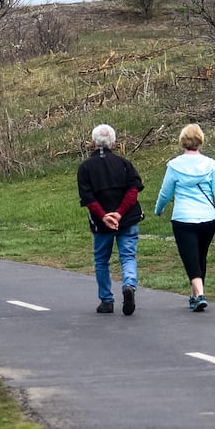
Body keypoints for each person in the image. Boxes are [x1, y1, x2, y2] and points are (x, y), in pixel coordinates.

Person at [152, 123, 215, 312]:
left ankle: (199, 294)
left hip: (183, 219)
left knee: (190, 258)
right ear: (200, 140)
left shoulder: (174, 166)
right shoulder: (210, 165)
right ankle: (194, 295)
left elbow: (165, 193)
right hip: (207, 219)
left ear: (183, 141)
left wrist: (158, 209)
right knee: (199, 257)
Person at [77, 123, 144, 314]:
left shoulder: (85, 168)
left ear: (92, 143)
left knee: (101, 260)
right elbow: (133, 191)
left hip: (101, 223)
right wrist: (120, 213)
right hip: (127, 219)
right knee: (128, 256)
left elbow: (88, 197)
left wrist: (104, 216)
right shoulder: (124, 164)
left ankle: (106, 300)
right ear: (114, 143)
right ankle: (129, 285)